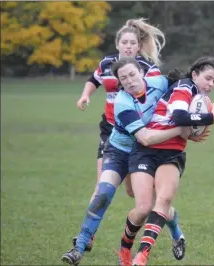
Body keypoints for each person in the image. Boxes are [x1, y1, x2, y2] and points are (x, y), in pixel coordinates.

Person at [61, 57, 195, 266]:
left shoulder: (159, 82)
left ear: (141, 72)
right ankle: (78, 248)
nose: (130, 80)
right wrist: (183, 129)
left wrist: (203, 115)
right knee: (103, 193)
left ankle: (177, 233)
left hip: (144, 153)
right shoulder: (122, 102)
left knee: (150, 205)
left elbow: (188, 87)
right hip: (119, 151)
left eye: (132, 74)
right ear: (120, 83)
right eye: (124, 78)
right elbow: (145, 137)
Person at [72, 18, 173, 252]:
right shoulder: (106, 63)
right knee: (102, 187)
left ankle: (172, 227)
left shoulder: (147, 68)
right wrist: (85, 96)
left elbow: (161, 92)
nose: (128, 46)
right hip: (111, 131)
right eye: (124, 42)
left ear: (138, 46)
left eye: (132, 43)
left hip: (137, 133)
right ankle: (87, 237)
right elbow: (93, 80)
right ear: (117, 44)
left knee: (132, 192)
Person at [128, 56, 214, 266]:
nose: (211, 84)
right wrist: (210, 118)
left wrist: (194, 131)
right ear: (195, 74)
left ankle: (141, 256)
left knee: (163, 200)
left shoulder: (197, 95)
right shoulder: (184, 87)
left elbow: (185, 125)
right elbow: (179, 118)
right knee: (145, 208)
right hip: (146, 150)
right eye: (208, 78)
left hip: (172, 152)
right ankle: (173, 233)